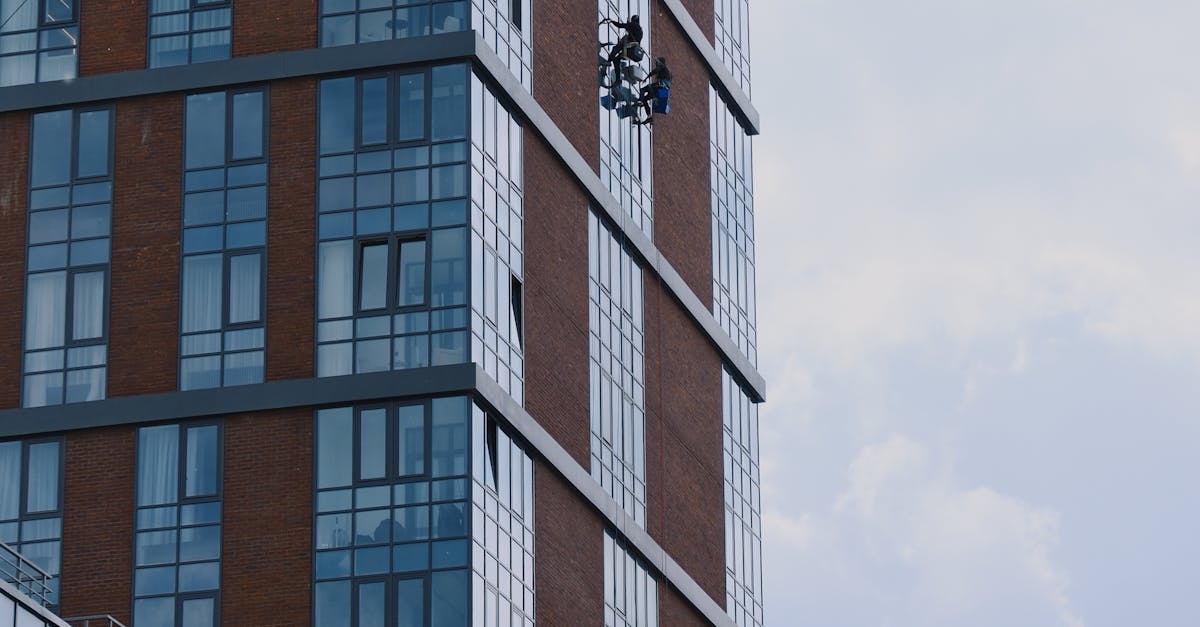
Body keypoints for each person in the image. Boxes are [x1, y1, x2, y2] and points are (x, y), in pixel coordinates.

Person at [603, 15, 643, 85]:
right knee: (616, 60)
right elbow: (633, 34)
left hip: (629, 46)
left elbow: (620, 25)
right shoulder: (640, 30)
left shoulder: (633, 24)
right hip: (631, 52)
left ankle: (608, 62)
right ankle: (618, 80)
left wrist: (612, 21)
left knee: (615, 48)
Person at [635, 57, 672, 124]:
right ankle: (649, 117)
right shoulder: (666, 71)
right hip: (661, 90)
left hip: (660, 86)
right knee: (645, 99)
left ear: (660, 63)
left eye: (657, 62)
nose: (656, 64)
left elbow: (654, 71)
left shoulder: (663, 67)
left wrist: (647, 77)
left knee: (643, 89)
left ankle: (640, 100)